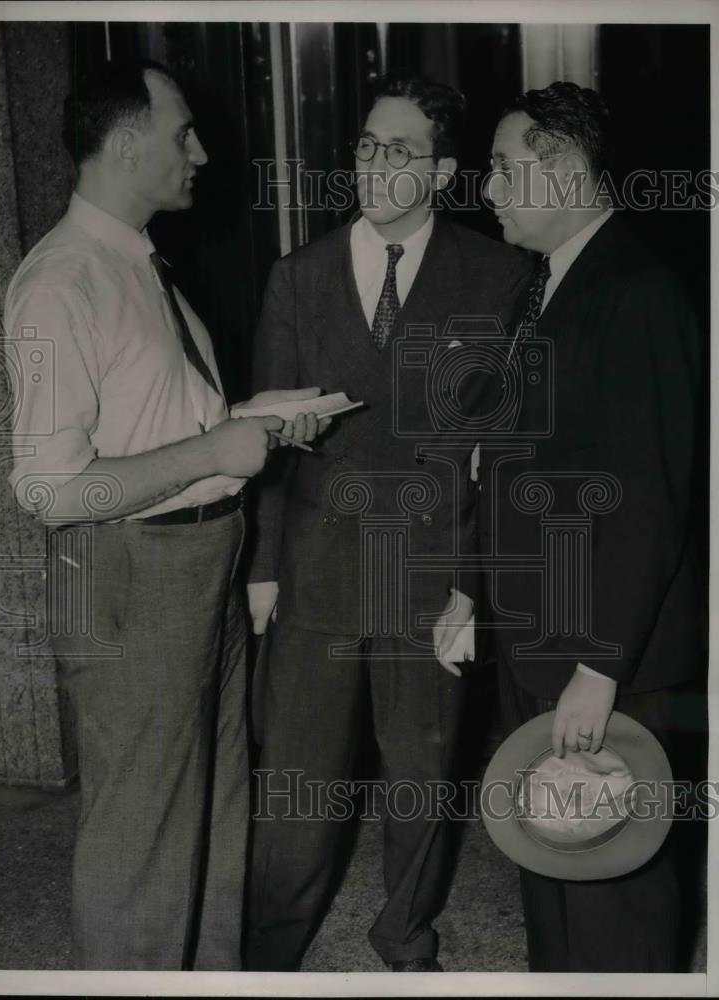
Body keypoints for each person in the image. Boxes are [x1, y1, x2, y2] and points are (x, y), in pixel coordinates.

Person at [5, 60, 327, 971]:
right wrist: (210, 454)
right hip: (127, 572)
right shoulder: (59, 284)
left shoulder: (141, 264)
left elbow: (165, 423)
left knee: (215, 809)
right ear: (124, 144)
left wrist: (248, 419)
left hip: (199, 561)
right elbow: (52, 489)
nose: (203, 151)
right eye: (183, 132)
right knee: (142, 824)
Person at [244, 74, 531, 972]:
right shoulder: (298, 276)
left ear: (442, 170)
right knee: (298, 782)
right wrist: (261, 570)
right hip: (318, 563)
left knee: (423, 775)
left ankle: (404, 935)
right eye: (367, 146)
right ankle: (268, 950)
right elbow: (263, 441)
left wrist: (474, 587)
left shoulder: (500, 277)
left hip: (432, 566)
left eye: (397, 151)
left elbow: (505, 451)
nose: (373, 165)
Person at [437, 81, 705, 971]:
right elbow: (499, 461)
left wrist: (599, 666)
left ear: (563, 169)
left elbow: (649, 502)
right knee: (549, 850)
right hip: (532, 635)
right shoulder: (540, 289)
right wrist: (473, 590)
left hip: (602, 653)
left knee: (616, 875)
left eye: (506, 168)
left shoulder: (640, 294)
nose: (490, 188)